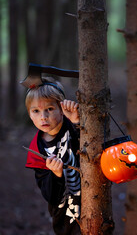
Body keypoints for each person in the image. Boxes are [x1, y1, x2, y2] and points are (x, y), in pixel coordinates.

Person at [24, 76, 81, 235]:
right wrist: (56, 175)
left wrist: (77, 123)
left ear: (61, 109)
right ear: (29, 114)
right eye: (36, 111)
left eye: (49, 109)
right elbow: (50, 196)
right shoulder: (37, 150)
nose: (43, 116)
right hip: (64, 214)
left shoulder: (72, 126)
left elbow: (91, 148)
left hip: (92, 197)